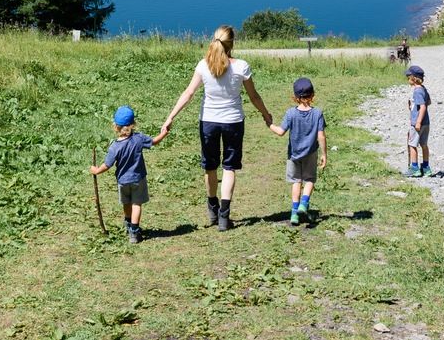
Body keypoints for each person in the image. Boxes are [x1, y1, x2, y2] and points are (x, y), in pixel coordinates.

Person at [162, 25, 272, 231]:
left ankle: (212, 206)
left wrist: (170, 117)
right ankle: (224, 215)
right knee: (229, 167)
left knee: (210, 166)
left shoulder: (203, 66)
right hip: (233, 122)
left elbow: (189, 93)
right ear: (232, 44)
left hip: (209, 122)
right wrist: (266, 116)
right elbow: (254, 96)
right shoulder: (241, 67)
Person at [90, 105, 168, 243]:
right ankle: (134, 231)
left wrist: (96, 170)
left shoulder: (115, 146)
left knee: (126, 202)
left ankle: (128, 222)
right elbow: (154, 142)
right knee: (136, 203)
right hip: (138, 178)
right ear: (133, 125)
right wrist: (163, 133)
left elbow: (107, 165)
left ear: (116, 127)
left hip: (123, 181)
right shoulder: (138, 139)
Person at [268, 77, 327, 225]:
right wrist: (324, 154)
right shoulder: (317, 113)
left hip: (294, 154)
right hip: (311, 153)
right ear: (312, 94)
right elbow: (321, 135)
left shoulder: (290, 113)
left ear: (295, 96)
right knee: (309, 180)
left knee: (296, 181)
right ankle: (304, 205)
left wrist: (269, 123)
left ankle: (294, 214)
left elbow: (281, 132)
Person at [405, 65, 432, 177]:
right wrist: (413, 106)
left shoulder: (417, 91)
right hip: (426, 122)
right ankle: (426, 167)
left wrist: (418, 122)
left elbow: (423, 107)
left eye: (409, 77)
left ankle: (414, 168)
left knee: (412, 144)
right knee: (424, 144)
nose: (407, 79)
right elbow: (428, 102)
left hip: (418, 122)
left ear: (414, 78)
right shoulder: (423, 89)